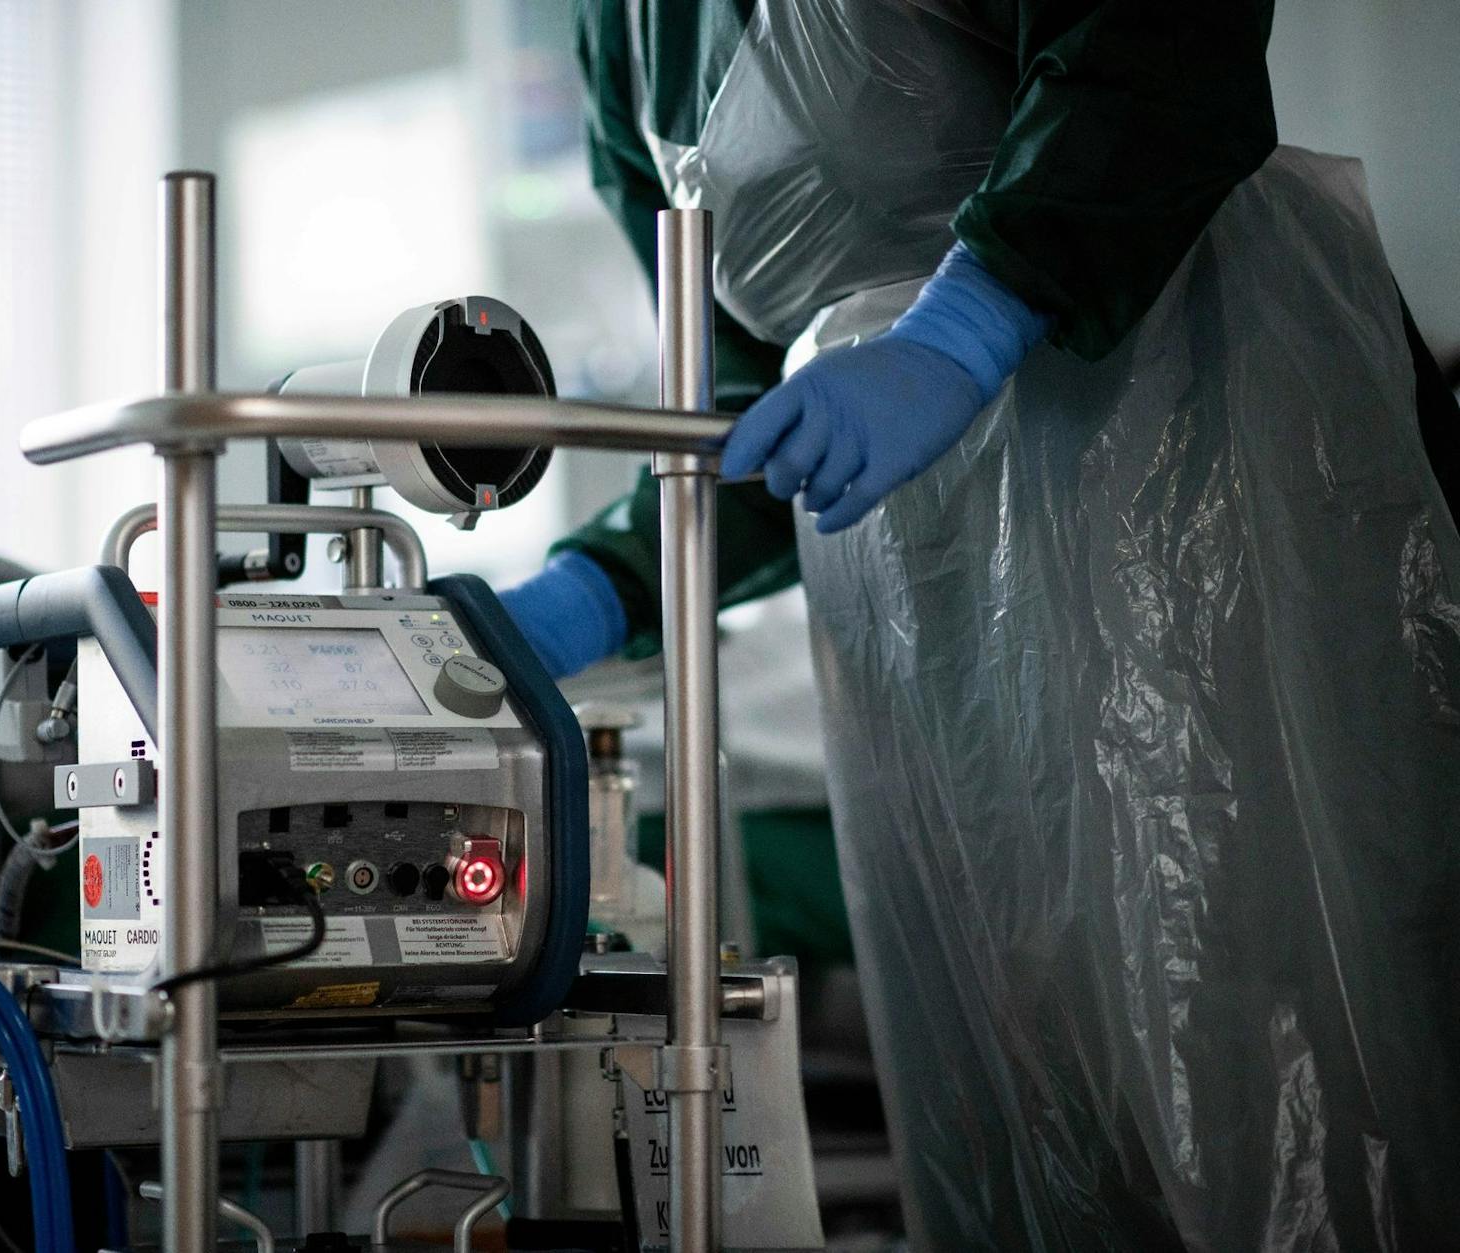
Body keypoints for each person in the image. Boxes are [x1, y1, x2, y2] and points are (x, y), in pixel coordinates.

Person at [501, 2, 1460, 1248]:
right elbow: (744, 400)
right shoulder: (620, 31)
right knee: (1022, 1108)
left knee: (1281, 1070)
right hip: (928, 584)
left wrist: (966, 321)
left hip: (1203, 467)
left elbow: (1161, 44)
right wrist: (577, 600)